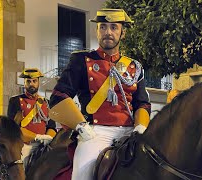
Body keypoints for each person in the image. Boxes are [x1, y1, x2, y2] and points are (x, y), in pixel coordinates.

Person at [48, 9, 151, 180]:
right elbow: (59, 96)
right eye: (103, 27)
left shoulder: (135, 67)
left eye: (113, 27)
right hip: (95, 132)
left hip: (130, 133)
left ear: (122, 33)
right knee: (82, 172)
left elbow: (142, 103)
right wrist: (81, 126)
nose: (108, 32)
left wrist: (141, 127)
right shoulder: (81, 61)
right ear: (97, 31)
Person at [7, 68, 57, 168]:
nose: (32, 84)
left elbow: (51, 127)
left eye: (34, 81)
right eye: (28, 81)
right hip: (24, 145)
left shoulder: (46, 102)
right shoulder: (15, 101)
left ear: (38, 82)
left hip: (43, 146)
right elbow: (14, 129)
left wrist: (47, 138)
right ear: (24, 83)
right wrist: (37, 137)